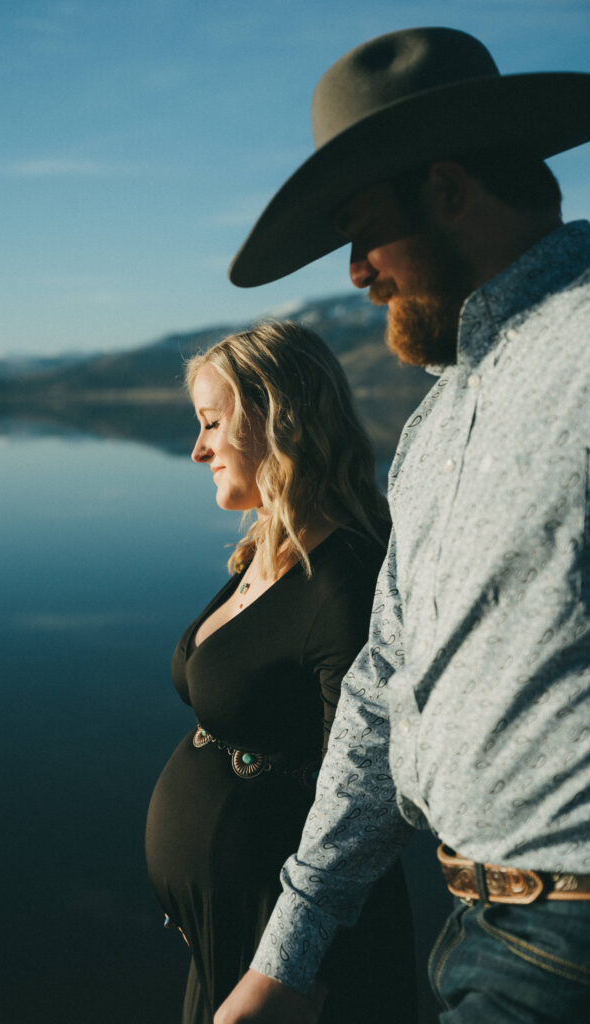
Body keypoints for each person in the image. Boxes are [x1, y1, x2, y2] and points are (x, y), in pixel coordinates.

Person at [216, 26, 590, 1024]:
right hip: (468, 929)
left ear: (448, 190)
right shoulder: (431, 428)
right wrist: (285, 956)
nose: (352, 270)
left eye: (360, 226)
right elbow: (380, 687)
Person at [144, 320, 417, 1023]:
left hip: (296, 961)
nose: (198, 448)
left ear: (276, 418)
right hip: (225, 930)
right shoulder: (264, 549)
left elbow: (361, 791)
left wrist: (281, 957)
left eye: (210, 423)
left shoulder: (349, 578)